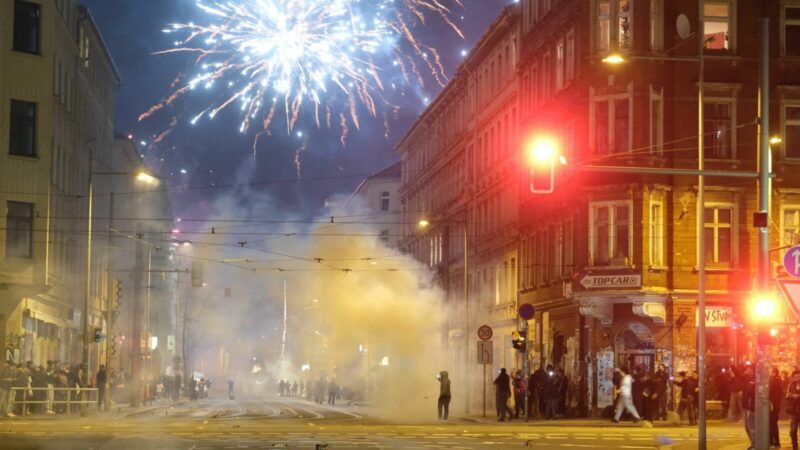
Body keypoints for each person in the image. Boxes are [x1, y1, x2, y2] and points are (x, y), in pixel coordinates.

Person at [785, 370, 800, 450]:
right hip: (793, 410)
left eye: (799, 376)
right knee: (793, 430)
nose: (798, 378)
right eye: (796, 376)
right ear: (793, 377)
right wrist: (792, 395)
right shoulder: (791, 384)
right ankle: (795, 445)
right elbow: (787, 395)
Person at [743, 366, 756, 448]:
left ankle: (754, 444)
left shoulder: (754, 380)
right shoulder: (746, 379)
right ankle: (753, 443)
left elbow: (752, 395)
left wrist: (752, 408)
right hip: (746, 406)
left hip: (751, 408)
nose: (746, 370)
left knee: (751, 426)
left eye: (748, 369)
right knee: (747, 427)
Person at [769, 367, 783, 448]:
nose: (769, 373)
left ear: (774, 372)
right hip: (774, 404)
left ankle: (775, 442)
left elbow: (771, 391)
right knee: (772, 423)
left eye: (770, 371)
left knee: (773, 423)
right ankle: (773, 441)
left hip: (773, 405)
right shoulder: (776, 380)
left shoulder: (776, 380)